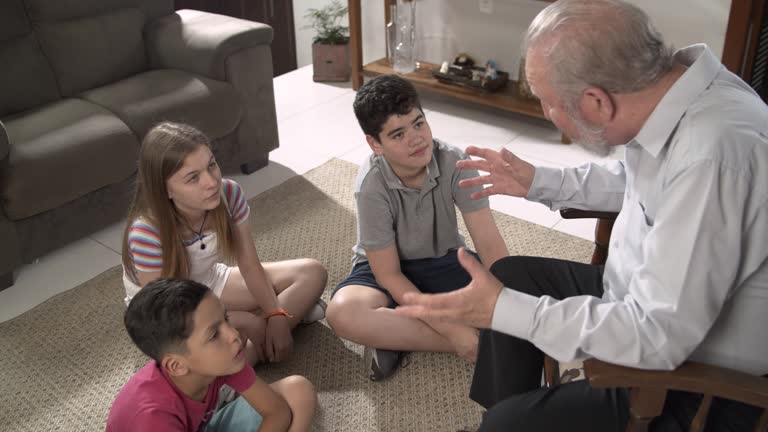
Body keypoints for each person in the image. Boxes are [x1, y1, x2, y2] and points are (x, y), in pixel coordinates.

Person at [396, 0, 768, 430]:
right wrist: (537, 181)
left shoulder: (713, 157)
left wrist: (507, 311)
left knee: (508, 419)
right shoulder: (675, 93)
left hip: (698, 373)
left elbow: (657, 336)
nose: (545, 113)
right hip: (640, 297)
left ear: (595, 103)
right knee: (510, 277)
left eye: (546, 102)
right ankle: (505, 412)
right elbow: (634, 179)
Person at [326, 74, 509, 381]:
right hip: (383, 270)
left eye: (419, 123)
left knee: (506, 298)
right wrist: (453, 331)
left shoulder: (455, 162)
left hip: (445, 260)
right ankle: (469, 341)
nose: (416, 139)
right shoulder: (371, 186)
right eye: (397, 135)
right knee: (342, 313)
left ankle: (394, 335)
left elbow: (490, 246)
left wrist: (509, 301)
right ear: (375, 144)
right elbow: (389, 274)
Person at [121, 122, 328, 365]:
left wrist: (276, 315)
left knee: (312, 273)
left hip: (211, 281)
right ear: (165, 189)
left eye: (211, 165)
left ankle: (255, 337)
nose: (211, 182)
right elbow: (167, 317)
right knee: (195, 361)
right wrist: (241, 321)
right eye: (193, 178)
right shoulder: (147, 231)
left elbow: (250, 265)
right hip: (170, 313)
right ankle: (253, 338)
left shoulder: (229, 193)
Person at [106, 278, 316, 432]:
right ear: (176, 366)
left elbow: (276, 412)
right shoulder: (151, 417)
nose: (233, 334)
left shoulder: (225, 359)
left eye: (226, 319)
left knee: (298, 389)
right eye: (214, 334)